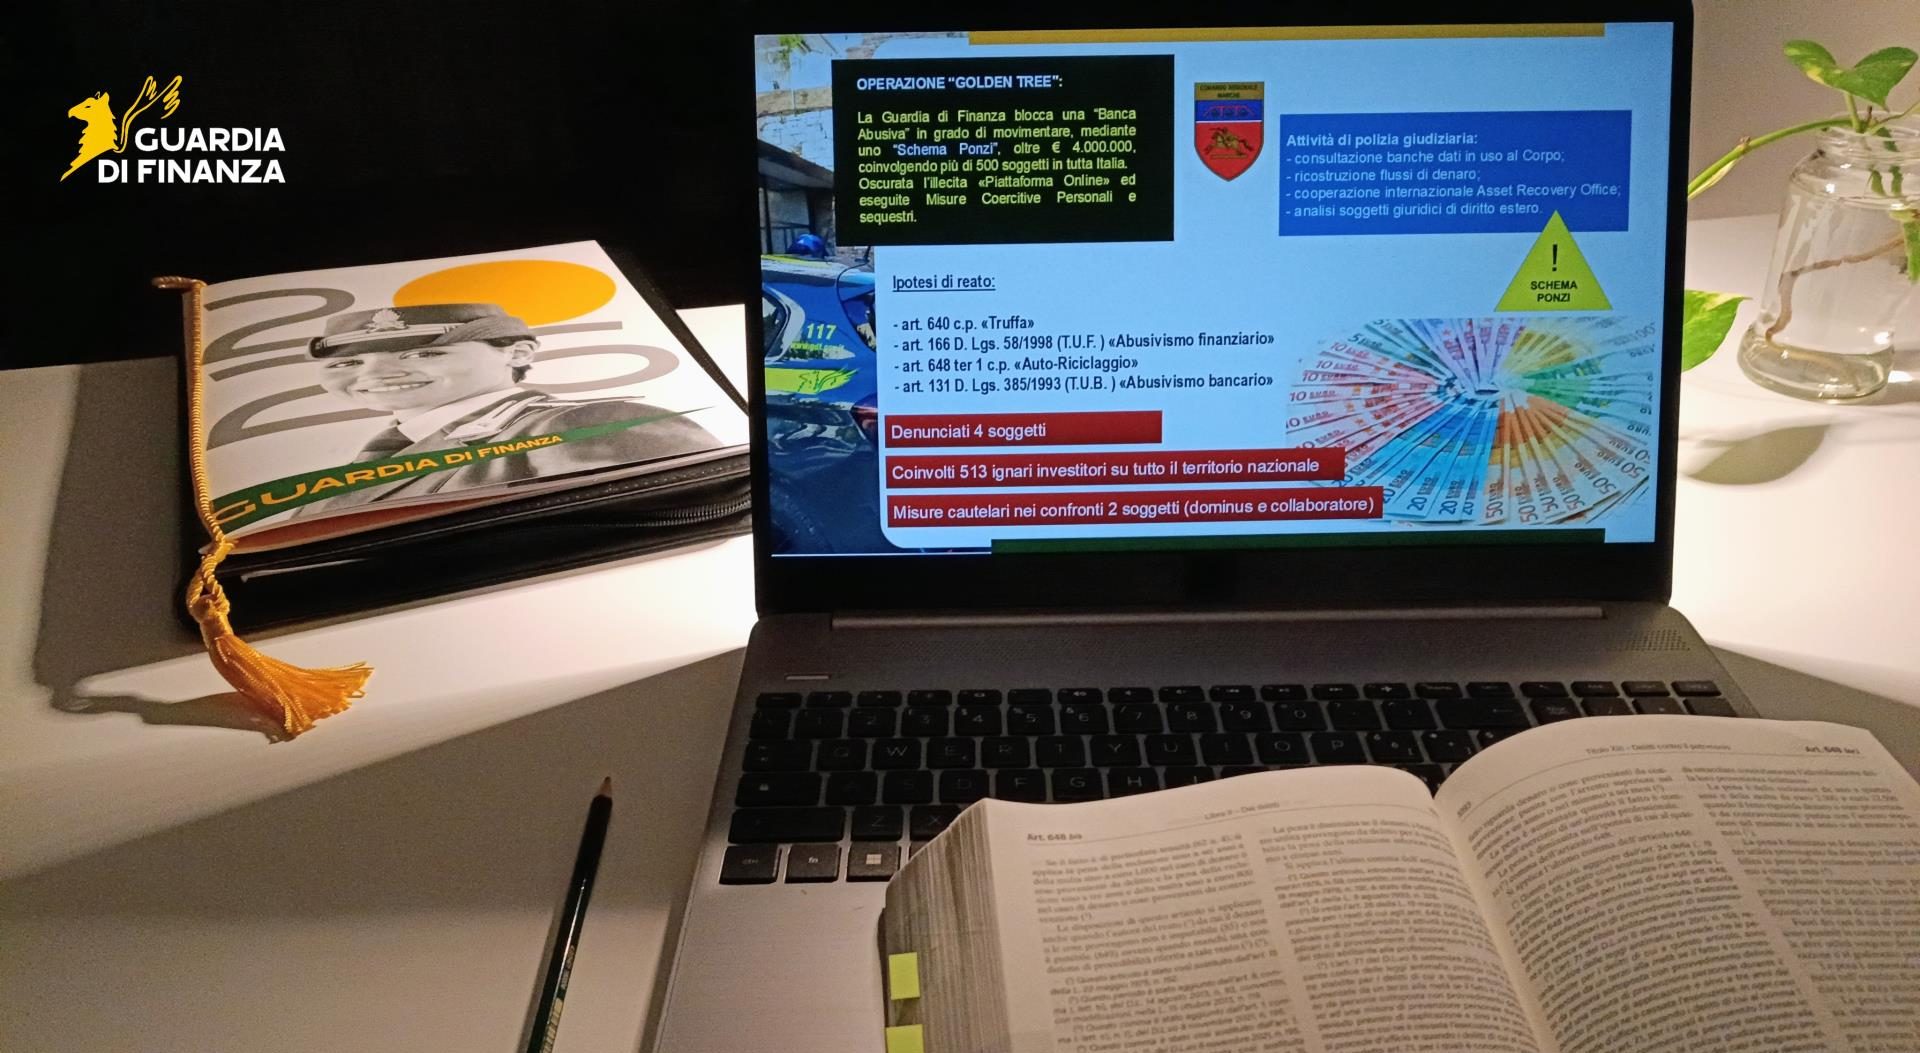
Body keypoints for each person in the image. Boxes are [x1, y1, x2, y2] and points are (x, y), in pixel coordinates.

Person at [295, 302, 718, 514]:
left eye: (424, 354)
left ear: (516, 354)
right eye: (348, 363)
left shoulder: (587, 423)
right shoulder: (364, 461)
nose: (376, 374)